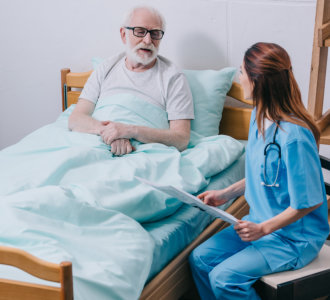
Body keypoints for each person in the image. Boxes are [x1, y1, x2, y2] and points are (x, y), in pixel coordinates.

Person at [189, 42, 330, 300]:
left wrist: (263, 229)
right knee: (200, 259)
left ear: (257, 81)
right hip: (259, 221)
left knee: (224, 279)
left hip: (293, 239)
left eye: (242, 72)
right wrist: (225, 193)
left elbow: (308, 203)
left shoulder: (295, 136)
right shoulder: (258, 116)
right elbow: (262, 173)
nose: (239, 77)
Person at [68, 6, 194, 155]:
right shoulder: (106, 68)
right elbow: (76, 119)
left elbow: (181, 139)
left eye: (155, 34)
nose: (148, 40)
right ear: (123, 34)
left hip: (144, 153)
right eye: (140, 31)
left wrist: (130, 131)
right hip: (94, 145)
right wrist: (112, 133)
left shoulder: (172, 77)